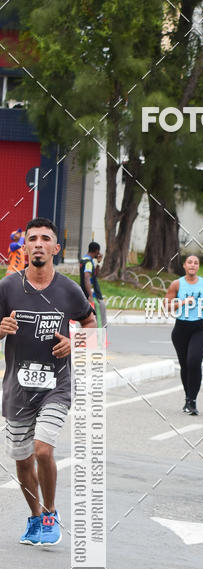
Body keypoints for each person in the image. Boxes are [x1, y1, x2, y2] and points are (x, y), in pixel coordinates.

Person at [0, 217, 96, 545]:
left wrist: (75, 342)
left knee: (43, 449)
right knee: (23, 458)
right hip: (17, 388)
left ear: (56, 248)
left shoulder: (69, 290)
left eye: (45, 239)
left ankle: (51, 511)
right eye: (32, 238)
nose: (38, 243)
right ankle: (34, 517)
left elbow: (91, 324)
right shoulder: (8, 287)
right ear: (24, 246)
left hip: (56, 386)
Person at [164, 255, 203, 414]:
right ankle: (188, 398)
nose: (192, 265)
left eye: (196, 263)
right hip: (181, 329)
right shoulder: (177, 284)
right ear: (184, 265)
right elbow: (166, 305)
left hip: (200, 328)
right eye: (190, 262)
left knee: (194, 362)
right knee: (185, 365)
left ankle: (193, 401)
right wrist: (182, 302)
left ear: (198, 266)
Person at [79, 241, 107, 329]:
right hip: (94, 296)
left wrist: (98, 262)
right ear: (96, 251)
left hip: (86, 294)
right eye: (98, 251)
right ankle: (100, 340)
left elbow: (94, 275)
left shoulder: (84, 260)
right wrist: (91, 295)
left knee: (89, 319)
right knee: (100, 320)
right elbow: (87, 278)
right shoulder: (88, 262)